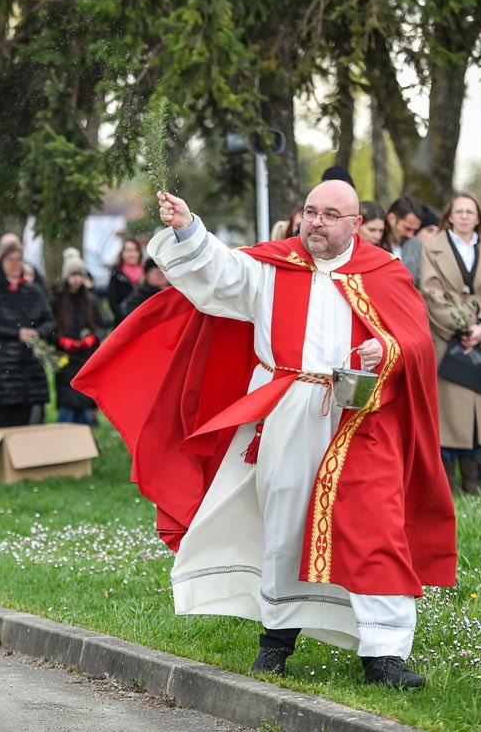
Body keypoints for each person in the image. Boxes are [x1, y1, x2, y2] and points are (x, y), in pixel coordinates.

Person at [75, 182, 455, 688]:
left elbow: (413, 341)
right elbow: (217, 271)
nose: (316, 222)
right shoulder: (273, 266)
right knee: (284, 525)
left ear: (355, 224)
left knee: (376, 526)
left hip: (360, 417)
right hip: (288, 409)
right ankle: (277, 640)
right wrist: (188, 227)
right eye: (311, 212)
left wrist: (382, 351)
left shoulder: (383, 271)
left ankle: (383, 654)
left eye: (330, 215)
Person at [419, 193, 481, 494]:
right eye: (459, 211)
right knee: (449, 413)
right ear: (449, 215)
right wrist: (462, 324)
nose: (464, 216)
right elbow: (431, 291)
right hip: (445, 336)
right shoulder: (433, 248)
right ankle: (448, 480)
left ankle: (474, 477)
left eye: (470, 212)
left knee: (479, 411)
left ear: (478, 218)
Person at [0, 241, 55, 428]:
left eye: (19, 260)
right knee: (1, 420)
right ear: (0, 263)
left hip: (28, 366)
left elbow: (50, 320)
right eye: (10, 260)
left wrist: (37, 332)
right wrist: (16, 334)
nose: (15, 264)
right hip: (0, 367)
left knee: (24, 420)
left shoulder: (33, 291)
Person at [52, 249, 104, 425]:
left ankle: (85, 434)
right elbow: (49, 325)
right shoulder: (57, 299)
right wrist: (59, 340)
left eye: (79, 275)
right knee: (67, 398)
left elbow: (102, 323)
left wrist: (93, 338)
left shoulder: (90, 299)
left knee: (84, 396)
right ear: (66, 276)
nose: (76, 279)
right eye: (73, 275)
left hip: (86, 355)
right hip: (65, 357)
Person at [116, 258, 169, 324]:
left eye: (162, 271)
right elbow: (128, 317)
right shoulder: (139, 296)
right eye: (154, 271)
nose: (159, 274)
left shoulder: (178, 292)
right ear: (147, 277)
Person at [107, 238, 145, 320]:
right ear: (122, 254)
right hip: (123, 321)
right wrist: (122, 316)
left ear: (139, 253)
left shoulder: (147, 274)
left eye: (135, 250)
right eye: (128, 251)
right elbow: (112, 301)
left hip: (144, 319)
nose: (131, 254)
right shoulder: (116, 274)